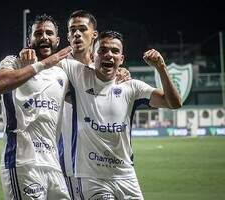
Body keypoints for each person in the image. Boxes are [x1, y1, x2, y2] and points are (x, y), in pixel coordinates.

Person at [55, 30, 182, 199]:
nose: (109, 55)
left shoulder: (132, 87)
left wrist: (161, 67)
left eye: (115, 51)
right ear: (93, 56)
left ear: (121, 59)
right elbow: (49, 60)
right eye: (103, 50)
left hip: (126, 175)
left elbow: (173, 103)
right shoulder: (80, 75)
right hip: (92, 177)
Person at [0, 14, 74, 199]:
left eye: (49, 33)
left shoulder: (63, 73)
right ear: (29, 40)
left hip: (53, 164)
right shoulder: (13, 62)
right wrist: (42, 65)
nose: (44, 37)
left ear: (57, 40)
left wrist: (120, 75)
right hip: (23, 162)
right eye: (38, 33)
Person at [59, 10, 131, 198]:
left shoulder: (104, 70)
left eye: (83, 29)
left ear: (94, 35)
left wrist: (121, 75)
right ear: (67, 36)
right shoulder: (59, 68)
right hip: (64, 158)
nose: (77, 34)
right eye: (72, 30)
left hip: (98, 167)